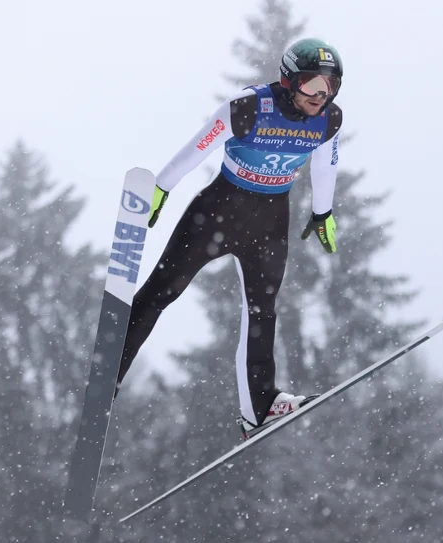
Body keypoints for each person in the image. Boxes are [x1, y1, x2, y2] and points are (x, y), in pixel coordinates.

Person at [114, 38, 344, 434]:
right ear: (289, 80)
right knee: (162, 291)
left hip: (270, 223)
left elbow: (326, 165)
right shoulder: (248, 106)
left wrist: (322, 212)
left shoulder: (329, 119)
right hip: (218, 213)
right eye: (312, 84)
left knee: (263, 311)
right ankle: (110, 373)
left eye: (331, 86)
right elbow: (197, 148)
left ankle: (260, 406)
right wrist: (161, 187)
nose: (321, 95)